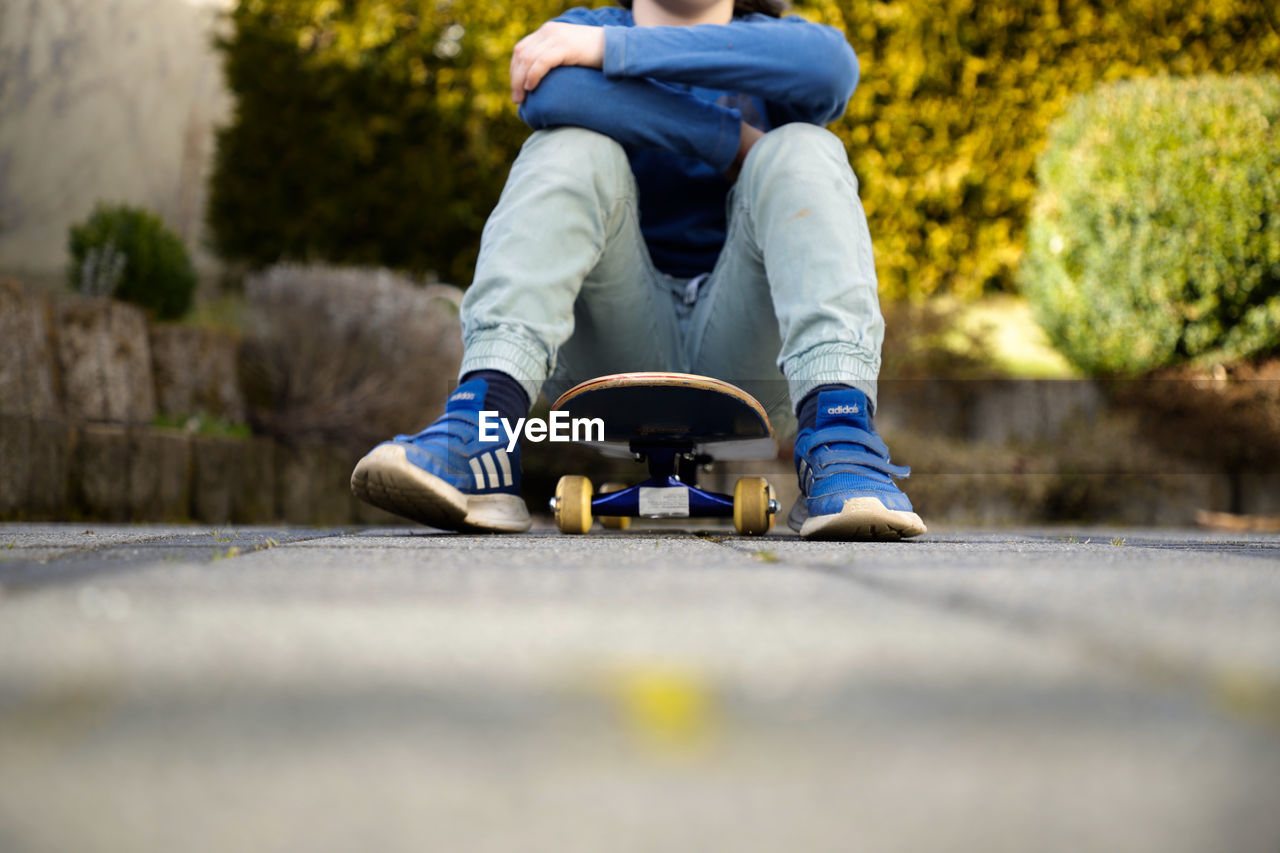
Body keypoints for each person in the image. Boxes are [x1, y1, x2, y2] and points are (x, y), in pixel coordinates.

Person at [350, 0, 926, 540]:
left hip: (747, 357)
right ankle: (483, 432)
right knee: (568, 146)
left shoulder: (766, 48)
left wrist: (608, 50)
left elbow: (830, 69)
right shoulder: (588, 24)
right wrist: (731, 144)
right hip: (610, 346)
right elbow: (547, 86)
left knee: (803, 148)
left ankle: (842, 440)